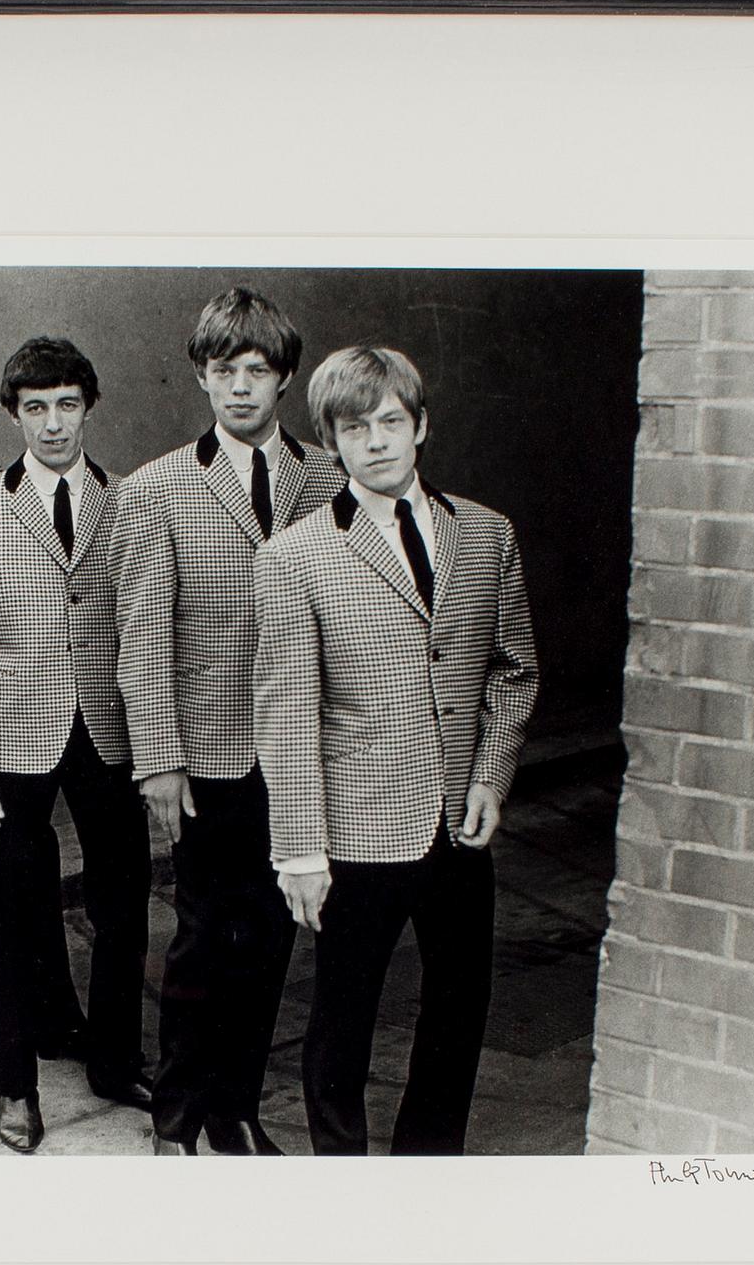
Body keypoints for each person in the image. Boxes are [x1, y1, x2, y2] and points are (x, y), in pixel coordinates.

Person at [252, 346, 539, 1155]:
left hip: (458, 821)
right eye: (353, 427)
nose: (375, 441)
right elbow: (286, 715)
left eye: (390, 422)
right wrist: (299, 850)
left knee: (458, 1006)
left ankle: (426, 1168)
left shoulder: (486, 534)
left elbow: (513, 670)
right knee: (342, 1016)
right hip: (356, 830)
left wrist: (491, 775)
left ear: (421, 426)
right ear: (331, 442)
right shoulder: (295, 557)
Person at [111, 288, 341, 1156]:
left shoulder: (328, 478)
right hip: (206, 751)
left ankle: (234, 1106)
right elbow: (142, 635)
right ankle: (175, 1118)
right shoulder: (159, 487)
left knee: (275, 932)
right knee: (204, 937)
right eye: (222, 370)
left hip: (301, 751)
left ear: (284, 378)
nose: (240, 387)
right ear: (202, 377)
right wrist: (159, 761)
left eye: (257, 370)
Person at [0, 337, 153, 1153]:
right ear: (14, 412)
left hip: (110, 727)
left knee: (123, 905)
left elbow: (147, 629)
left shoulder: (133, 503)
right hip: (11, 738)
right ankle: (15, 1084)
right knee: (12, 911)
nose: (53, 423)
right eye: (35, 407)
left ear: (88, 406)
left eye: (66, 404)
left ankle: (114, 1059)